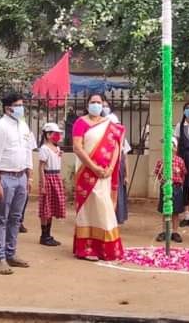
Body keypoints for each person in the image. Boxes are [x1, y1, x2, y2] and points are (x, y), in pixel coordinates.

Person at [71, 92, 126, 261]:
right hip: (86, 174)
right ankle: (86, 249)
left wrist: (110, 168)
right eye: (92, 102)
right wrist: (94, 167)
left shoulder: (109, 125)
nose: (96, 105)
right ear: (87, 104)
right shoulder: (80, 123)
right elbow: (77, 148)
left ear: (103, 105)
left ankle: (106, 248)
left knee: (105, 209)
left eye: (99, 102)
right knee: (87, 211)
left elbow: (117, 147)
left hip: (104, 175)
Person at [0, 92, 33, 275]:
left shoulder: (23, 125)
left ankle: (11, 253)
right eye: (18, 105)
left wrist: (29, 176)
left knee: (15, 217)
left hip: (21, 176)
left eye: (22, 105)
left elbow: (28, 151)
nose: (21, 108)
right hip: (5, 177)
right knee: (1, 218)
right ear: (8, 108)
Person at [37, 122, 66, 247]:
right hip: (48, 178)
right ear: (48, 135)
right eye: (55, 133)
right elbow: (41, 167)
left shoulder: (57, 148)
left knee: (52, 207)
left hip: (56, 177)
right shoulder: (44, 149)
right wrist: (43, 185)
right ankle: (44, 235)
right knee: (46, 207)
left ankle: (48, 234)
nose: (58, 136)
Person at [103, 96, 131, 227]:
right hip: (105, 168)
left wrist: (127, 175)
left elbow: (125, 156)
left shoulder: (122, 139)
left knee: (117, 192)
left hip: (118, 169)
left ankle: (116, 217)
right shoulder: (102, 138)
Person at [154, 136, 186, 243]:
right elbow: (157, 173)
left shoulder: (180, 161)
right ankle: (165, 231)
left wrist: (178, 183)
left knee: (175, 212)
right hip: (165, 188)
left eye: (169, 145)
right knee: (165, 210)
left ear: (175, 148)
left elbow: (183, 173)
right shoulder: (161, 161)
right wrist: (162, 181)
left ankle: (175, 232)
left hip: (176, 188)